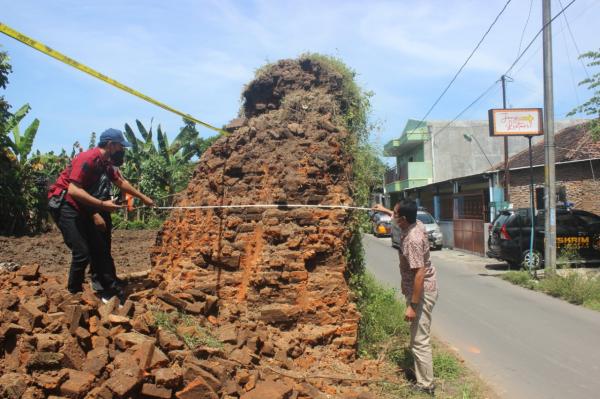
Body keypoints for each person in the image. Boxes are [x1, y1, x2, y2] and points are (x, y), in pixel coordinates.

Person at [48, 128, 154, 301]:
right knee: (82, 252)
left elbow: (120, 182)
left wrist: (143, 198)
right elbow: (74, 190)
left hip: (82, 204)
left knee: (100, 248)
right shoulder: (88, 158)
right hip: (64, 204)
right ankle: (73, 295)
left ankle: (106, 289)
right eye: (121, 147)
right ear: (111, 145)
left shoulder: (105, 163)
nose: (123, 151)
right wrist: (100, 207)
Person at [373, 200, 438, 396]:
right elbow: (396, 218)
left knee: (419, 340)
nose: (392, 216)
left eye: (394, 213)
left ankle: (426, 385)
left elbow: (419, 273)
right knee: (416, 336)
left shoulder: (413, 239)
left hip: (422, 293)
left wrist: (413, 305)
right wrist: (383, 210)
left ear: (403, 219)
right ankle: (422, 376)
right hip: (418, 290)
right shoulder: (413, 222)